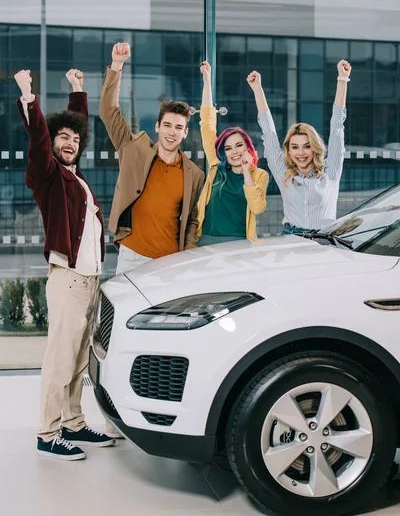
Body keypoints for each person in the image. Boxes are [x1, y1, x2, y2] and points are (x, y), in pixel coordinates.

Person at [14, 68, 115, 461]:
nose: (71, 141)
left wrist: (78, 92)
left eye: (76, 139)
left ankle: (73, 423)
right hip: (68, 279)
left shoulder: (76, 177)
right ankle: (48, 433)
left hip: (89, 281)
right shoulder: (48, 176)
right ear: (52, 143)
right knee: (60, 358)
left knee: (76, 359)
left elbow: (77, 126)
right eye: (64, 137)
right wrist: (28, 95)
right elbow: (38, 137)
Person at [99, 42, 205, 277]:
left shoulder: (194, 175)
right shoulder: (134, 150)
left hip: (169, 262)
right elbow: (108, 111)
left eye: (179, 127)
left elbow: (190, 222)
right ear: (157, 126)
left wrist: (188, 257)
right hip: (131, 256)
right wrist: (117, 65)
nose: (171, 132)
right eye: (167, 125)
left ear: (185, 132)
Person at [248, 60, 351, 235]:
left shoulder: (331, 171)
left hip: (324, 239)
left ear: (315, 148)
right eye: (295, 147)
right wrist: (257, 89)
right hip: (290, 238)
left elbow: (337, 127)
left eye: (307, 146)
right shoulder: (283, 173)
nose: (301, 153)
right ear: (288, 149)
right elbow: (269, 132)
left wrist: (342, 79)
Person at [196, 61, 269, 246]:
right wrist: (207, 81)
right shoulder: (216, 167)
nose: (234, 152)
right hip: (205, 240)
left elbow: (257, 208)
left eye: (238, 146)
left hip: (239, 244)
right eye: (228, 148)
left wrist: (246, 171)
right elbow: (207, 124)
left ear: (248, 148)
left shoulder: (259, 175)